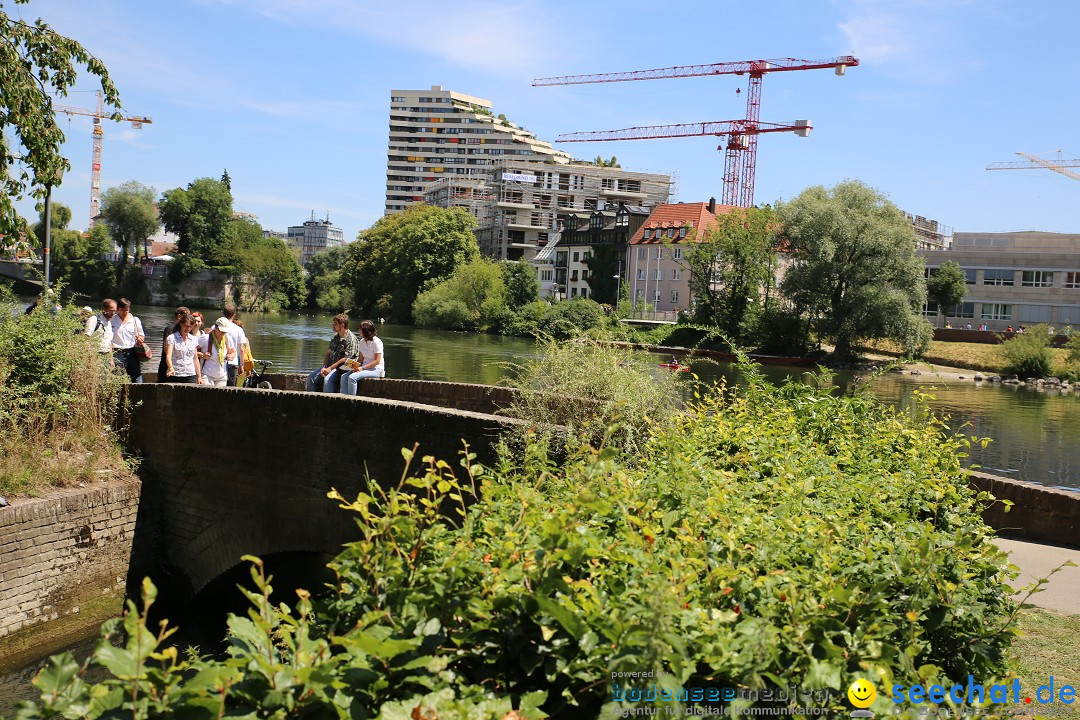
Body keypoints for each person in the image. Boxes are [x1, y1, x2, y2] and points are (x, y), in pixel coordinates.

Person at [306, 313, 359, 393]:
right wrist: (324, 366)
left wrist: (330, 368)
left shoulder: (351, 339)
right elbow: (328, 353)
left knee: (327, 380)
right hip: (332, 366)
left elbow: (346, 359)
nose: (333, 326)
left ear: (342, 325)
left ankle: (328, 404)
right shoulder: (335, 337)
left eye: (335, 324)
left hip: (345, 368)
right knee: (311, 378)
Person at [343, 320, 385, 395]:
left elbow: (377, 361)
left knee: (352, 377)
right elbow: (361, 359)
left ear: (366, 331)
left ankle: (351, 400)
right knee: (344, 377)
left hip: (376, 369)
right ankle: (343, 398)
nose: (358, 331)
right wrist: (353, 366)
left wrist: (362, 368)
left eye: (360, 329)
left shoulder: (377, 342)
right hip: (364, 368)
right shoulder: (362, 341)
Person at [110, 298, 146, 383]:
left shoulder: (134, 320)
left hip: (132, 351)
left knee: (137, 376)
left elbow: (141, 335)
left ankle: (138, 394)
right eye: (122, 310)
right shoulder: (112, 320)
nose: (125, 312)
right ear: (118, 309)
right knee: (117, 377)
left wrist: (140, 339)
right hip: (117, 351)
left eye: (127, 310)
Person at [163, 311, 202, 384]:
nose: (188, 329)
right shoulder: (172, 338)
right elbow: (168, 355)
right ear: (181, 324)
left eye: (190, 326)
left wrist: (199, 376)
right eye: (186, 326)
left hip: (190, 373)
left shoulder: (193, 339)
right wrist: (171, 368)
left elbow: (195, 359)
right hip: (176, 373)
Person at [198, 317, 235, 387]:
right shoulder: (206, 338)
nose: (223, 333)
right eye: (221, 331)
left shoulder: (227, 339)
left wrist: (231, 356)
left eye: (225, 331)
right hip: (207, 374)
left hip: (222, 376)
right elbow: (192, 351)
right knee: (209, 396)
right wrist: (202, 355)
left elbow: (233, 352)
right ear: (215, 328)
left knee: (220, 397)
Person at [158, 306, 190, 382]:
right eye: (186, 316)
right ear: (179, 316)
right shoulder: (170, 329)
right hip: (167, 366)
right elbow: (166, 349)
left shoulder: (182, 330)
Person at [222, 304, 249, 387]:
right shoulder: (239, 329)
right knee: (230, 388)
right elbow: (241, 349)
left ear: (222, 313)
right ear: (234, 315)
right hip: (232, 362)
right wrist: (242, 365)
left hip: (219, 361)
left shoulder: (215, 327)